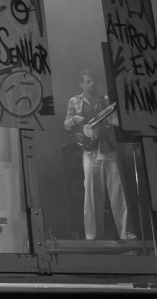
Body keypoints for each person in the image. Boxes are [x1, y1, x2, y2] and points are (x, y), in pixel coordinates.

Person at [63, 68, 136, 241]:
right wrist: (74, 120)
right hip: (89, 151)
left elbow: (118, 122)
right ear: (81, 83)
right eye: (88, 81)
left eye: (93, 81)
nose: (91, 84)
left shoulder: (106, 100)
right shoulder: (74, 101)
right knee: (92, 195)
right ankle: (93, 236)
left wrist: (112, 120)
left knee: (119, 193)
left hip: (109, 149)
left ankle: (126, 233)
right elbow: (66, 125)